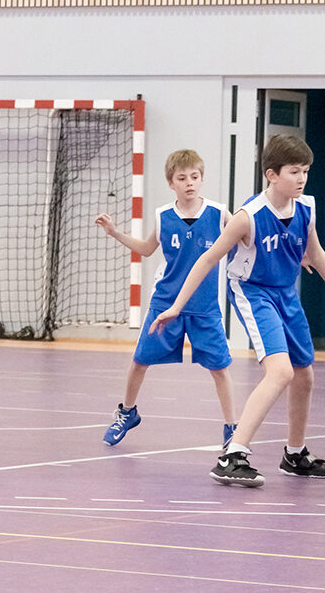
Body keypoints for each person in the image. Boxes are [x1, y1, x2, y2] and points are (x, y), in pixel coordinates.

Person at [153, 134, 325, 487]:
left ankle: (295, 453)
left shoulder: (305, 208)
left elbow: (315, 253)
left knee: (305, 375)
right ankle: (233, 454)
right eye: (294, 172)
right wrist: (176, 305)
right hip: (253, 293)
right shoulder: (247, 217)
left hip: (286, 293)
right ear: (271, 174)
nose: (302, 178)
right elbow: (208, 259)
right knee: (280, 372)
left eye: (306, 172)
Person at [95, 149, 237, 448]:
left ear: (202, 179)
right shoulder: (163, 216)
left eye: (195, 177)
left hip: (204, 307)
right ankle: (127, 412)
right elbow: (147, 249)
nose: (189, 183)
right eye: (182, 178)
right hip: (165, 304)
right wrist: (114, 232)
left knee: (220, 369)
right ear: (171, 183)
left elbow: (246, 240)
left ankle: (233, 428)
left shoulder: (220, 213)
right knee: (139, 361)